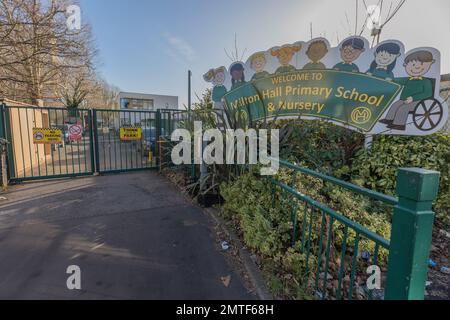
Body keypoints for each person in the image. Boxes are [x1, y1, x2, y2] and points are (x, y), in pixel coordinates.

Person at [379, 50, 435, 131]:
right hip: (404, 100)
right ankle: (389, 119)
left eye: (422, 64)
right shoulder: (409, 79)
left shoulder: (426, 81)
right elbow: (398, 80)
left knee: (403, 108)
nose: (417, 67)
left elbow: (427, 93)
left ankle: (399, 124)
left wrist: (413, 98)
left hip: (418, 101)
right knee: (396, 104)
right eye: (413, 64)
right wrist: (391, 79)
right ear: (406, 65)